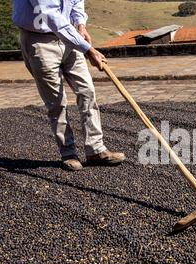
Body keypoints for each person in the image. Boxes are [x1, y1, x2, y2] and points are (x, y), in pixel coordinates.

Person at [12, 0, 125, 171]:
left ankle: (95, 150)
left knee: (87, 92)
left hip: (69, 37)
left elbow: (76, 1)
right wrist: (88, 50)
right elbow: (50, 14)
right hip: (39, 40)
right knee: (56, 102)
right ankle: (68, 153)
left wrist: (80, 24)